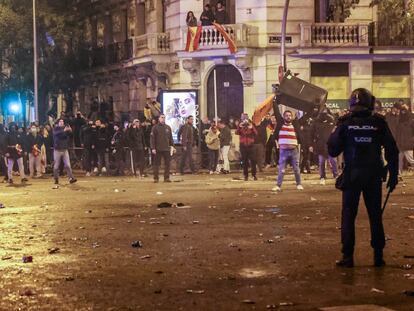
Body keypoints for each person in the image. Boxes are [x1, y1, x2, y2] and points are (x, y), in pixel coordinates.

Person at [328, 88, 399, 268]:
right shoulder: (378, 122)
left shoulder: (345, 123)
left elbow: (333, 149)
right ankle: (378, 257)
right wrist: (393, 173)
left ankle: (348, 257)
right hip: (373, 175)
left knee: (348, 215)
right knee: (375, 215)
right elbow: (392, 148)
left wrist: (335, 129)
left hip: (352, 175)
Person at [272, 105, 304, 191]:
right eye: (286, 115)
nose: (288, 117)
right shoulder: (280, 124)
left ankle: (299, 184)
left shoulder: (295, 125)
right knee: (281, 169)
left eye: (290, 116)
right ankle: (278, 186)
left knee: (296, 169)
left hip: (294, 150)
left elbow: (305, 118)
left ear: (292, 117)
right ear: (283, 117)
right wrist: (275, 102)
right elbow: (276, 112)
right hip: (283, 151)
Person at [310, 110, 338, 185]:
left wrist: (329, 112)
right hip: (321, 145)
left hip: (330, 145)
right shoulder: (316, 123)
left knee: (333, 161)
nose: (325, 115)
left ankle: (335, 175)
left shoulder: (331, 122)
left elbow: (334, 120)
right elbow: (311, 134)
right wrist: (311, 145)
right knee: (321, 162)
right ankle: (322, 176)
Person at [52, 119, 77, 185]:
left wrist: (71, 131)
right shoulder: (56, 129)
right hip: (57, 150)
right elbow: (57, 134)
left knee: (68, 165)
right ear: (58, 123)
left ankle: (71, 178)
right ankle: (56, 178)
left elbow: (71, 136)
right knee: (56, 166)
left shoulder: (65, 129)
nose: (61, 122)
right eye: (60, 121)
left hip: (65, 149)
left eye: (62, 121)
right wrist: (64, 131)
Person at [150, 114, 174, 183]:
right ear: (159, 119)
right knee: (156, 164)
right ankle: (156, 178)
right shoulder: (155, 127)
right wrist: (153, 148)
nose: (163, 119)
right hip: (158, 149)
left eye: (164, 117)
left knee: (167, 164)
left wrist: (173, 146)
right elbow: (152, 138)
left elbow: (170, 138)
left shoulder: (168, 127)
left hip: (166, 149)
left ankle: (166, 178)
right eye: (162, 117)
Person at [395, 104, 414, 174]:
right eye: (402, 111)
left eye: (404, 111)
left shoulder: (411, 122)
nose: (403, 113)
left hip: (408, 144)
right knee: (399, 159)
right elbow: (397, 133)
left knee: (410, 159)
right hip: (400, 144)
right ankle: (399, 173)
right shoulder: (398, 122)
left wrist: (411, 140)